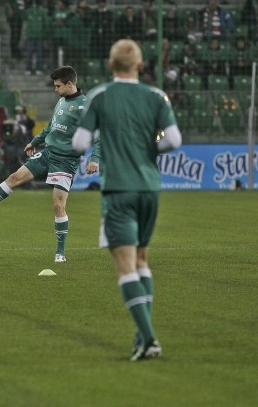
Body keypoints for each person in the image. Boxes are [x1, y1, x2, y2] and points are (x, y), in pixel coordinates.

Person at [71, 38, 182, 362]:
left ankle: (148, 339)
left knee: (124, 266)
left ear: (110, 65)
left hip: (119, 189)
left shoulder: (101, 95)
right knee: (142, 261)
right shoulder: (155, 95)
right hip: (150, 188)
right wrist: (148, 150)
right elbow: (174, 140)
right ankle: (142, 337)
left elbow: (79, 142)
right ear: (140, 65)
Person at [0, 66, 100, 264]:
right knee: (13, 178)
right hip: (48, 153)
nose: (55, 89)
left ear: (70, 84)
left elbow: (98, 134)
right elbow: (51, 126)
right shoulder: (61, 101)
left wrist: (95, 159)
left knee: (58, 205)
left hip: (66, 160)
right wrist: (35, 141)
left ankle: (60, 252)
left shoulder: (85, 107)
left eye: (58, 86)